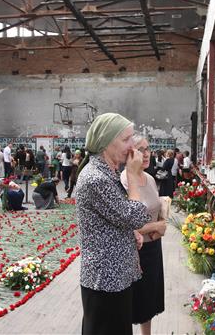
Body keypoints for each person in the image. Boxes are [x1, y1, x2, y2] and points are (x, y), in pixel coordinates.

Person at [74, 112, 150, 335]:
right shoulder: (96, 178)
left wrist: (129, 233)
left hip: (114, 276)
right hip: (105, 280)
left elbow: (118, 218)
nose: (132, 146)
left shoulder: (107, 172)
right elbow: (134, 216)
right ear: (106, 143)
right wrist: (134, 176)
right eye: (126, 139)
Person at [120, 135, 167, 335]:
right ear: (129, 153)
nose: (146, 154)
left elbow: (153, 208)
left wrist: (163, 215)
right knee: (133, 303)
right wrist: (156, 225)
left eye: (148, 149)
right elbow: (125, 224)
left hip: (153, 249)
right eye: (140, 149)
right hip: (135, 250)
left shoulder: (149, 179)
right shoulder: (124, 180)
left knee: (148, 301)